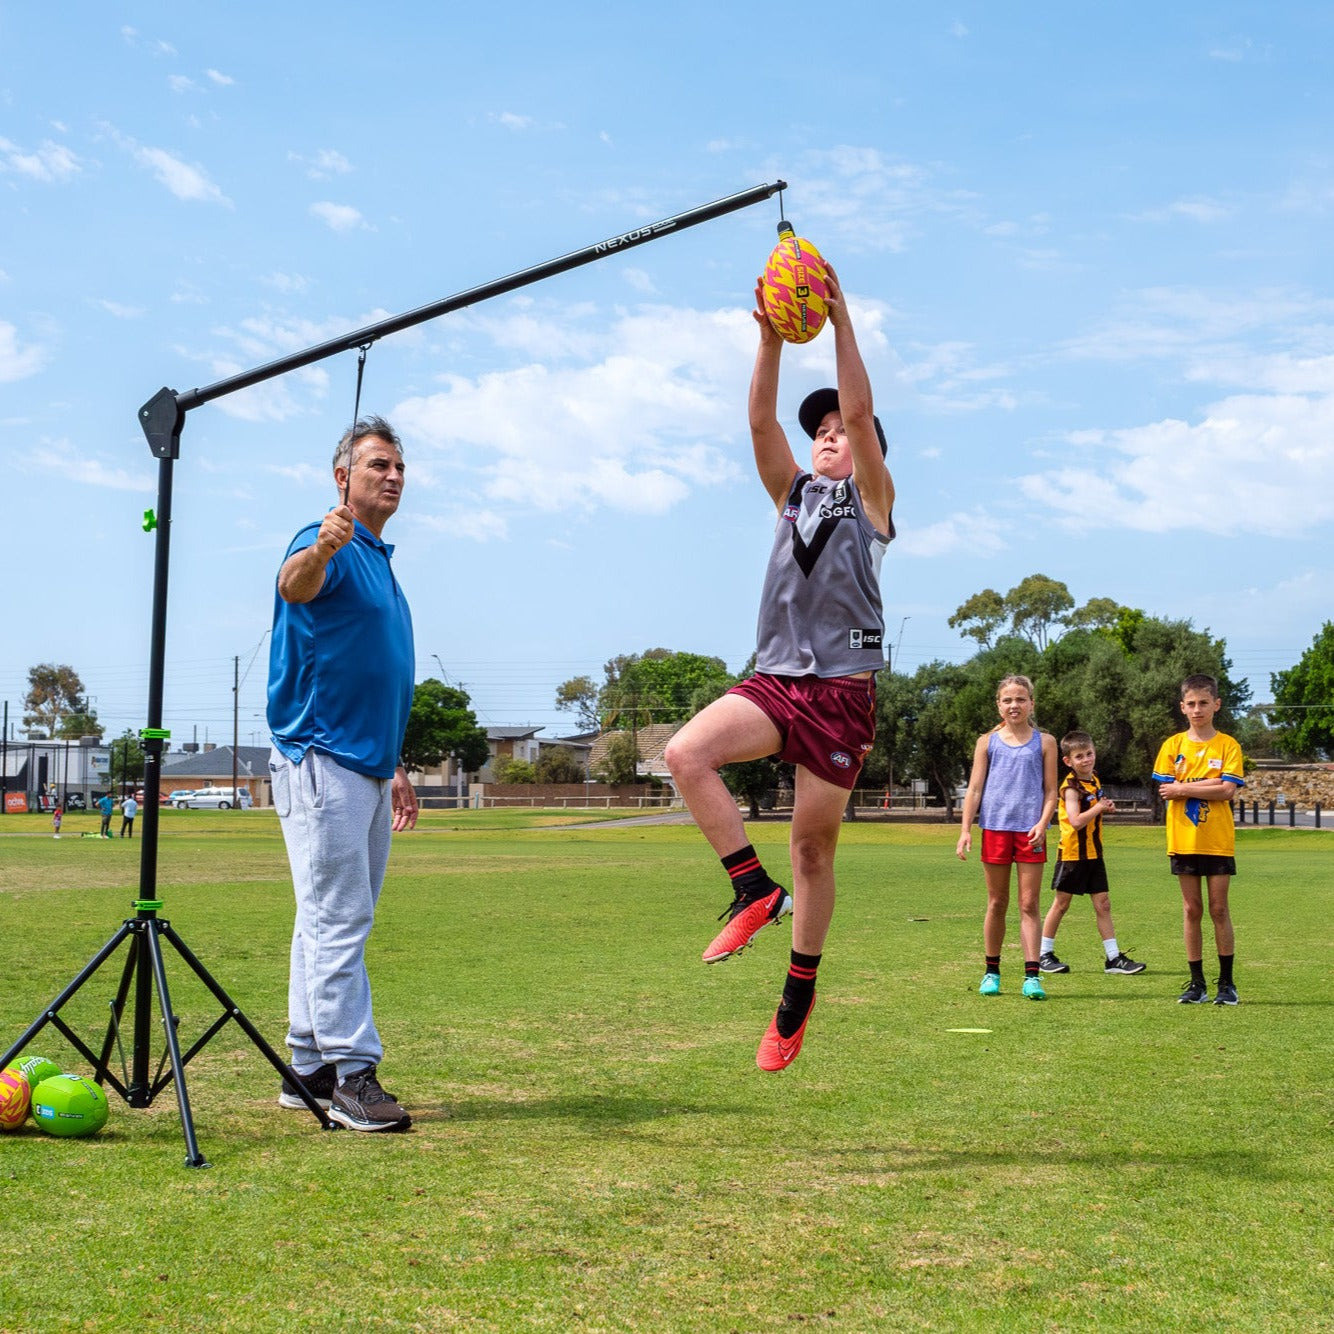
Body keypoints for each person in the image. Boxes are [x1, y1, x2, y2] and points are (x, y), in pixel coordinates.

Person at [664, 262, 895, 1072]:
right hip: (776, 679)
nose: (830, 433)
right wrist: (766, 340)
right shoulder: (791, 494)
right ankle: (751, 891)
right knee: (684, 753)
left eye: (840, 430)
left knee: (814, 851)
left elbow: (862, 412)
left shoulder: (872, 504)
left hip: (840, 696)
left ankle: (798, 992)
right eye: (821, 430)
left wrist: (840, 323)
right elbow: (761, 423)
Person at [267, 414, 419, 1131]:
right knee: (340, 917)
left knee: (323, 919)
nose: (391, 476)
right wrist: (324, 545)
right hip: (320, 755)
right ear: (342, 479)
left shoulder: (382, 561)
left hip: (366, 765)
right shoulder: (321, 539)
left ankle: (306, 1068)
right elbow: (294, 586)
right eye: (377, 466)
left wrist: (396, 765)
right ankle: (354, 1077)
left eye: (397, 467)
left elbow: (376, 673)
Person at [956, 675, 1058, 999]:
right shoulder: (987, 741)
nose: (1014, 705)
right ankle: (991, 972)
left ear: (1031, 704)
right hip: (995, 829)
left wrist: (1043, 823)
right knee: (997, 902)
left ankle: (1032, 977)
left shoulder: (1046, 743)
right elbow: (974, 789)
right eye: (1008, 700)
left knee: (1029, 904)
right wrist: (964, 830)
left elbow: (1051, 791)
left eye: (1021, 699)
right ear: (999, 705)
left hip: (1030, 831)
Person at [1152, 674, 1245, 1005]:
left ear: (1216, 705)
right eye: (1191, 703)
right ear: (1182, 707)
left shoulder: (1228, 745)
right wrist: (1206, 785)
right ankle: (1196, 984)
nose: (1197, 709)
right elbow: (1165, 789)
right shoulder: (1173, 746)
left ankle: (1227, 984)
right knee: (1192, 909)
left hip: (1217, 840)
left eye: (1203, 702)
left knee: (1219, 909)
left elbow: (1227, 790)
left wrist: (1184, 788)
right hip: (1183, 840)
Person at [1039, 731, 1145, 976]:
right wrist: (1098, 807)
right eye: (1079, 756)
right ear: (1068, 761)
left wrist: (1104, 808)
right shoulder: (1071, 787)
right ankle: (1044, 954)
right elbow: (1075, 821)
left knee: (1103, 904)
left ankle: (1113, 958)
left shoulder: (1094, 780)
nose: (1086, 760)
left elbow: (1093, 809)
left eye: (1089, 754)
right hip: (1073, 855)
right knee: (1062, 904)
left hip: (1094, 854)